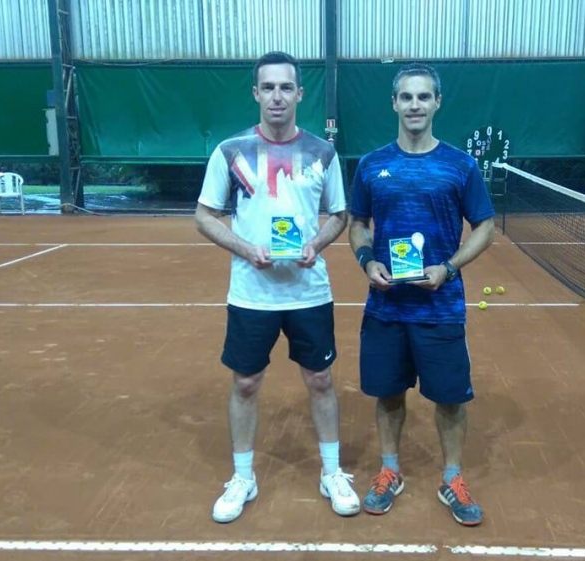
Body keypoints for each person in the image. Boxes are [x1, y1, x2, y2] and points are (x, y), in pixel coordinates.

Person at [196, 51, 359, 524]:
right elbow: (204, 216)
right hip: (252, 294)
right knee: (245, 383)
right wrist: (246, 249)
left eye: (286, 87)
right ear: (256, 93)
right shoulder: (230, 152)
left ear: (299, 94)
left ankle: (332, 473)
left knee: (321, 380)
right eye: (268, 87)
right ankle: (242, 477)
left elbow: (340, 215)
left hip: (309, 291)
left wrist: (316, 244)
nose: (277, 96)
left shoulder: (323, 153)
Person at [347, 63, 495, 526]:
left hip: (441, 307)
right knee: (389, 394)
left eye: (423, 96)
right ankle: (390, 471)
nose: (415, 105)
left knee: (450, 398)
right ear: (394, 103)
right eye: (407, 97)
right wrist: (366, 261)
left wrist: (449, 267)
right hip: (386, 307)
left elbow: (485, 226)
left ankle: (452, 478)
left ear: (437, 103)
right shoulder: (371, 165)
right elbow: (357, 224)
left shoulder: (460, 165)